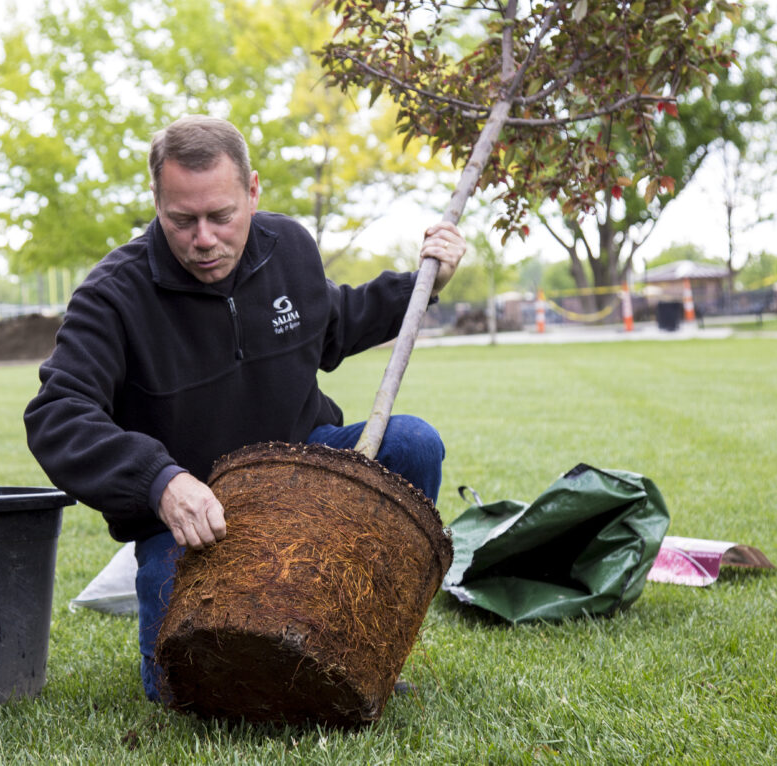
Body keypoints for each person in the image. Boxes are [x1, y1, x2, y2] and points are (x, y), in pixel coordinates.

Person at [24, 115, 466, 702]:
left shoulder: (289, 247)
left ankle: (369, 642)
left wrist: (425, 283)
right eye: (182, 220)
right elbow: (57, 413)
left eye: (221, 216)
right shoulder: (112, 296)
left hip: (300, 473)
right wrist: (160, 481)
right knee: (187, 691)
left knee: (412, 443)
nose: (204, 239)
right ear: (156, 201)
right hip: (198, 520)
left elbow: (335, 321)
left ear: (252, 191)